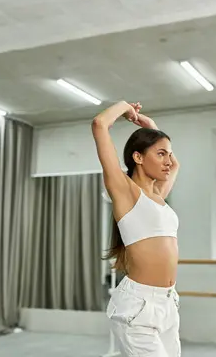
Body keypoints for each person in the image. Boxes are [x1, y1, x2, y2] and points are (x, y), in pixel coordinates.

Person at [92, 101, 181, 357]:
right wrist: (125, 107)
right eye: (161, 153)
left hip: (167, 302)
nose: (168, 161)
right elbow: (99, 124)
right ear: (138, 157)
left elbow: (176, 166)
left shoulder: (158, 196)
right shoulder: (126, 192)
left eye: (169, 153)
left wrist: (151, 127)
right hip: (138, 305)